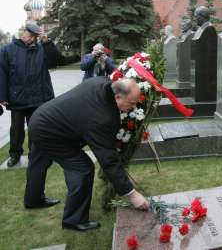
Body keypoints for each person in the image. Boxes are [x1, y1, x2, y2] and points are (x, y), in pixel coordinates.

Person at [24, 77, 150, 231]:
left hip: (40, 118)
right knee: (82, 168)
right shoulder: (102, 117)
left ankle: (33, 199)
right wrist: (132, 194)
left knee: (39, 162)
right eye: (132, 103)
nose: (134, 106)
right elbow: (108, 160)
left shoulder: (101, 83)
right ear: (118, 96)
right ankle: (73, 220)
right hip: (51, 132)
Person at [0, 22, 61, 167]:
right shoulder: (7, 50)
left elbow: (56, 61)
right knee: (16, 129)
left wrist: (47, 42)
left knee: (37, 128)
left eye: (33, 36)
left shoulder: (42, 48)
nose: (28, 37)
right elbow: (1, 73)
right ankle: (15, 154)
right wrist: (2, 95)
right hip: (17, 98)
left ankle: (36, 154)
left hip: (39, 98)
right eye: (28, 34)